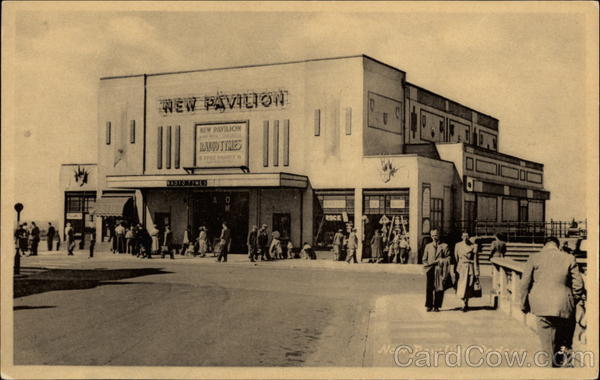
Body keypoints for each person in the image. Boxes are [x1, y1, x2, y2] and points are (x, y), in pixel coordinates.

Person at [519, 236, 585, 367]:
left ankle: (551, 373)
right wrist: (571, 300)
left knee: (548, 348)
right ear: (557, 245)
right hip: (565, 307)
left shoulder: (534, 258)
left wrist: (524, 305)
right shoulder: (569, 258)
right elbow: (578, 286)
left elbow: (524, 284)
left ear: (544, 245)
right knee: (564, 346)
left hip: (542, 307)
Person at [422, 229, 450, 312]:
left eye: (436, 235)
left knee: (439, 287)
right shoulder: (428, 246)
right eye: (433, 235)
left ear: (439, 235)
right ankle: (429, 305)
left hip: (439, 269)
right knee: (429, 288)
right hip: (430, 269)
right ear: (431, 236)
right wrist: (427, 266)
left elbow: (448, 258)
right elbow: (424, 259)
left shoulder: (444, 246)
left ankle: (437, 306)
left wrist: (441, 261)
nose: (434, 237)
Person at [454, 232, 480, 312]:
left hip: (470, 268)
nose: (465, 237)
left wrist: (477, 271)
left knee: (469, 285)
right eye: (464, 236)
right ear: (461, 237)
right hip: (461, 268)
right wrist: (456, 269)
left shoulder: (473, 246)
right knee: (461, 285)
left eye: (467, 236)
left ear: (469, 237)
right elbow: (456, 258)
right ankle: (463, 303)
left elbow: (476, 260)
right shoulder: (458, 245)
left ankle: (466, 302)